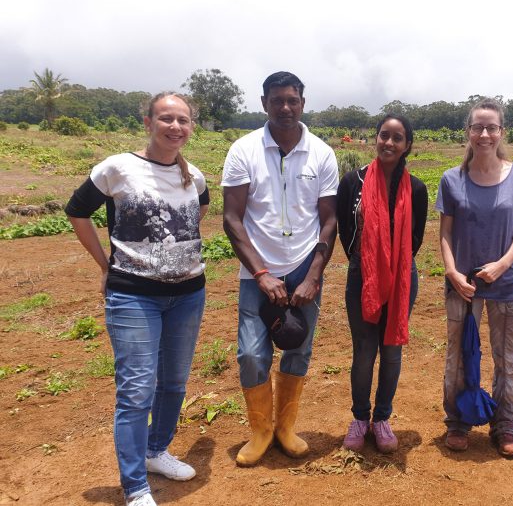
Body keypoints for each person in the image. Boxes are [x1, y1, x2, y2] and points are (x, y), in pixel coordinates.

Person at [65, 92, 209, 506]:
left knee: (175, 382)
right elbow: (78, 210)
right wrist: (104, 264)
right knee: (135, 391)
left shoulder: (193, 175)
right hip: (133, 297)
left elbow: (199, 211)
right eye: (166, 118)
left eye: (183, 120)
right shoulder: (117, 168)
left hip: (187, 294)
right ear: (148, 122)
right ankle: (135, 486)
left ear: (191, 127)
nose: (175, 126)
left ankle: (155, 450)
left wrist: (171, 251)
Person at [222, 71, 338, 466]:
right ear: (264, 103)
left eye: (292, 100)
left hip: (305, 267)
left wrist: (313, 275)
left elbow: (328, 221)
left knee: (298, 349)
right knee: (252, 354)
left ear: (303, 103)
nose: (285, 107)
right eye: (277, 100)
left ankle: (286, 429)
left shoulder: (321, 153)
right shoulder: (244, 150)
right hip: (257, 271)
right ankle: (260, 431)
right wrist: (260, 274)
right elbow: (232, 219)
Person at [436, 99, 513, 457]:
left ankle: (505, 426)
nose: (484, 134)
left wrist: (502, 264)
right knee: (458, 355)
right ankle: (458, 422)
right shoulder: (452, 179)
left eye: (491, 127)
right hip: (462, 286)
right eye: (477, 127)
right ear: (468, 132)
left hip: (507, 284)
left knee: (507, 358)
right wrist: (452, 272)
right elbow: (445, 233)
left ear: (501, 132)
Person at [337, 114, 428, 453]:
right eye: (383, 135)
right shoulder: (353, 182)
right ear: (375, 139)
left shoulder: (416, 188)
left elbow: (416, 236)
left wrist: (392, 265)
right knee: (364, 351)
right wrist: (369, 266)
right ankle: (360, 418)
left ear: (407, 146)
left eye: (397, 138)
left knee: (391, 351)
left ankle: (383, 418)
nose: (389, 143)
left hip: (404, 275)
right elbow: (346, 233)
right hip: (363, 275)